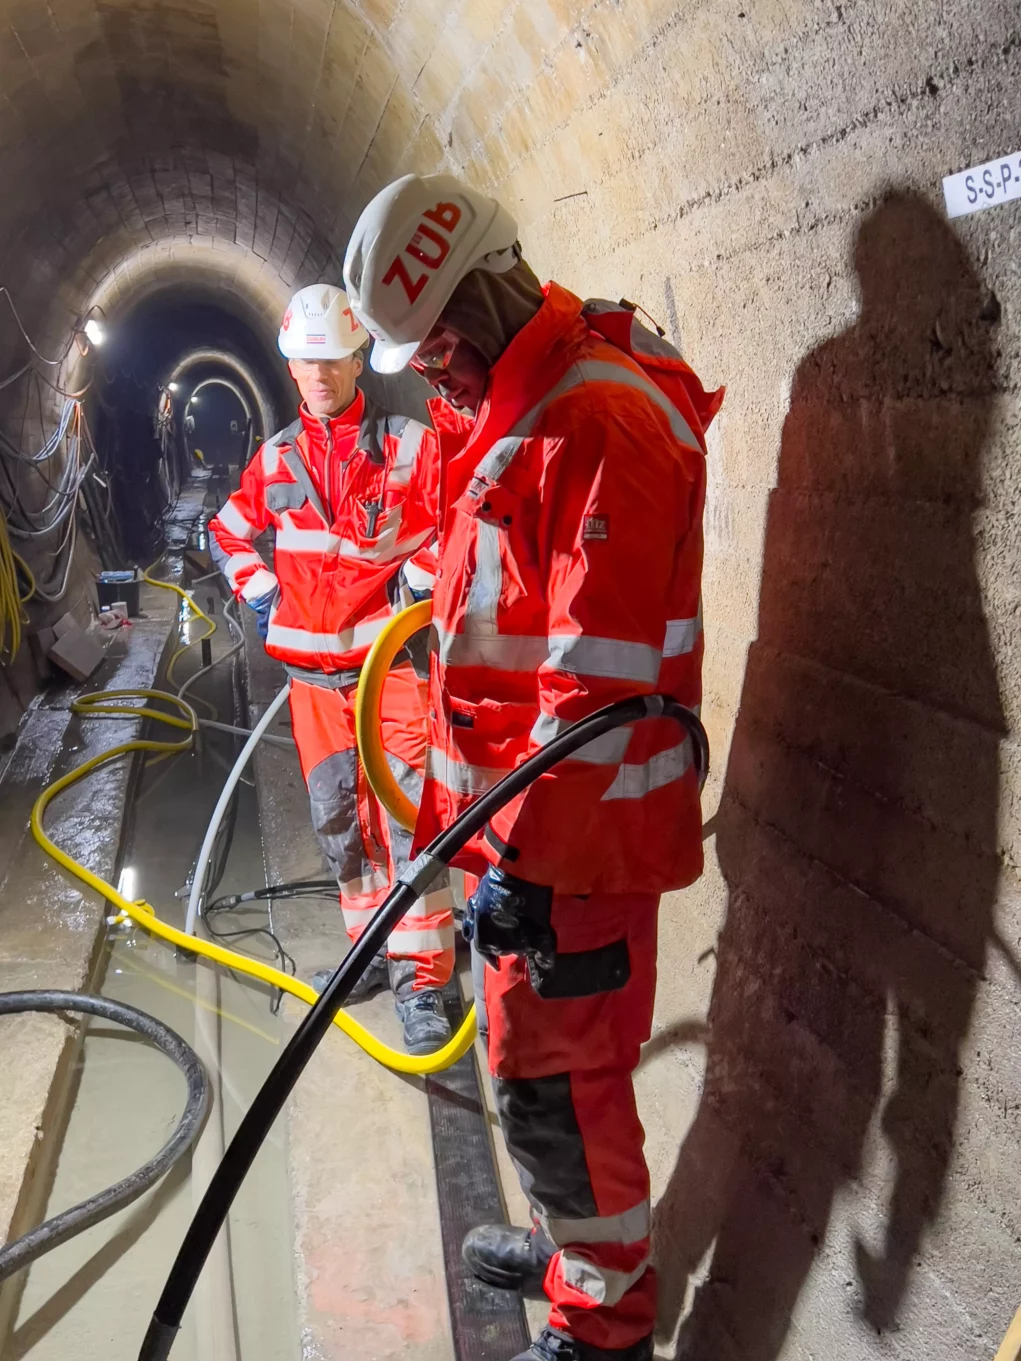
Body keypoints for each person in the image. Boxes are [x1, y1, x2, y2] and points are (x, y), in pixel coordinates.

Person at [344, 175, 724, 1361]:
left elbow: (591, 697)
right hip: (529, 837)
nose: (435, 379)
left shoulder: (594, 420)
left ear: (478, 302)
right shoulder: (534, 396)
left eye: (437, 351)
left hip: (575, 847)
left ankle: (602, 1325)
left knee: (559, 1092)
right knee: (538, 1078)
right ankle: (574, 1258)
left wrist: (528, 866)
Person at [208, 283, 455, 1055]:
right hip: (313, 686)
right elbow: (227, 531)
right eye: (306, 361)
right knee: (340, 823)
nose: (319, 373)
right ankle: (371, 951)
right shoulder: (277, 458)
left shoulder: (408, 446)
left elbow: (460, 523)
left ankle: (423, 982)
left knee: (407, 819)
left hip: (390, 673)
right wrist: (262, 590)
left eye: (332, 359)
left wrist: (418, 581)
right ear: (291, 366)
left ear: (358, 360)